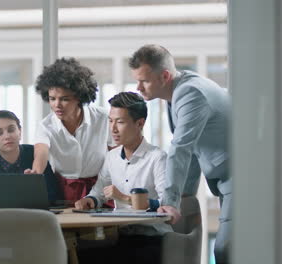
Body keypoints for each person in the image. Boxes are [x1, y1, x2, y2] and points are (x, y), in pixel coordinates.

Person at [129, 44, 231, 264]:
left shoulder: (190, 93)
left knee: (226, 250)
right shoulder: (175, 93)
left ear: (164, 76)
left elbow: (181, 148)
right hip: (227, 179)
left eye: (144, 81)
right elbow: (192, 152)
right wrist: (182, 196)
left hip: (243, 178)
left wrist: (171, 201)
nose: (138, 87)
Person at [75, 92, 171, 263]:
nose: (113, 129)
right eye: (110, 121)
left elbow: (166, 203)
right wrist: (90, 200)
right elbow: (99, 191)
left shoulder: (157, 157)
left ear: (140, 123)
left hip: (152, 238)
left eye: (120, 122)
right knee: (79, 254)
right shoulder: (111, 157)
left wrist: (125, 198)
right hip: (121, 236)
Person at [26, 57, 112, 204]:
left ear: (79, 97)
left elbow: (116, 156)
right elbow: (41, 153)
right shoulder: (45, 126)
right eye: (52, 98)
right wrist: (35, 173)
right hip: (63, 192)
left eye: (64, 99)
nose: (57, 105)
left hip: (102, 188)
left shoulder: (104, 118)